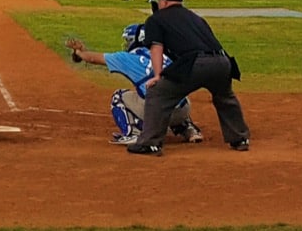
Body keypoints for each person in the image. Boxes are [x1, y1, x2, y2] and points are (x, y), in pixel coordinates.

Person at [125, 0, 250, 155]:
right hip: (223, 62)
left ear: (164, 1)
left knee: (158, 93)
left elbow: (156, 47)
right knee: (225, 97)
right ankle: (240, 138)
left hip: (196, 63)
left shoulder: (156, 19)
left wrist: (157, 75)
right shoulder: (196, 18)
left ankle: (150, 143)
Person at [64, 24, 202, 145]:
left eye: (127, 40)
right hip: (184, 109)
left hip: (159, 112)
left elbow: (93, 59)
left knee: (119, 97)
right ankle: (188, 129)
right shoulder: (163, 54)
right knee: (171, 91)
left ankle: (132, 133)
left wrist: (79, 52)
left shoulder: (128, 58)